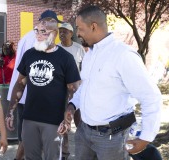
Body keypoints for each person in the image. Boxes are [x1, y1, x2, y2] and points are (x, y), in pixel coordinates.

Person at [58, 5, 162, 160]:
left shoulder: (123, 55)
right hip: (84, 133)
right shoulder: (89, 54)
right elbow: (85, 87)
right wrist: (72, 105)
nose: (77, 34)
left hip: (112, 139)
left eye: (80, 29)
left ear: (93, 26)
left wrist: (145, 137)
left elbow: (151, 97)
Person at [6, 18, 80, 160]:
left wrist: (68, 119)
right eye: (37, 31)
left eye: (43, 32)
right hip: (29, 118)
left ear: (54, 34)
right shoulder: (29, 54)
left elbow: (74, 93)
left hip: (54, 122)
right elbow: (20, 84)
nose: (38, 35)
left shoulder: (66, 58)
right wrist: (10, 111)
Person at [58, 22, 85, 159]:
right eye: (60, 31)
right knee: (64, 122)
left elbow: (84, 70)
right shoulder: (56, 49)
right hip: (60, 92)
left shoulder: (79, 49)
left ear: (71, 33)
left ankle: (84, 150)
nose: (62, 33)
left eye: (65, 31)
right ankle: (64, 152)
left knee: (80, 122)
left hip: (77, 92)